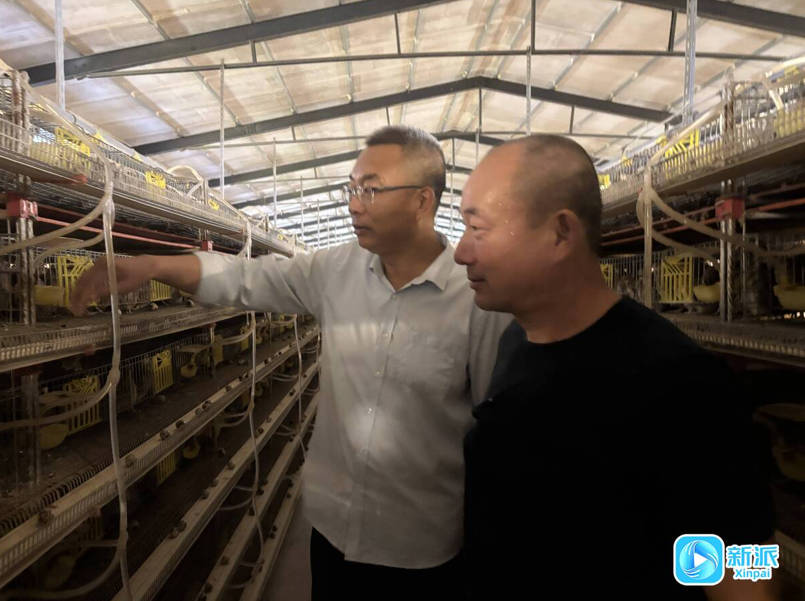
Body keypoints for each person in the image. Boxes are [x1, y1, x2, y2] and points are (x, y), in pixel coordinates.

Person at [71, 126, 510, 601]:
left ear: (422, 200)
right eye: (350, 188)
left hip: (420, 548)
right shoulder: (335, 270)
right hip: (333, 532)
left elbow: (496, 430)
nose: (353, 204)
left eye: (370, 190)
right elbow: (245, 278)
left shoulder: (477, 300)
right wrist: (154, 266)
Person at [454, 134, 777, 600]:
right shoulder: (517, 339)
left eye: (477, 229)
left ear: (560, 233)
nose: (461, 252)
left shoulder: (679, 383)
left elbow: (743, 573)